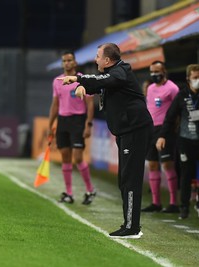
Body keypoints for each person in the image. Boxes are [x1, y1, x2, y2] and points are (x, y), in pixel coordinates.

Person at [58, 43, 153, 239]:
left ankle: (132, 227)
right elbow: (102, 84)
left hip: (134, 130)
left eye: (98, 56)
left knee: (130, 179)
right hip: (126, 131)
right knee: (124, 179)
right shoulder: (114, 75)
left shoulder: (120, 71)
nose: (95, 59)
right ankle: (130, 223)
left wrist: (78, 78)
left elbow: (104, 80)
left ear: (108, 60)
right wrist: (83, 87)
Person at [156, 64, 199, 220]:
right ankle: (184, 206)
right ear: (188, 79)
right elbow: (170, 117)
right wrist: (162, 135)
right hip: (185, 140)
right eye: (195, 77)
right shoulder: (182, 96)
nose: (198, 80)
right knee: (186, 174)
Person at [48, 51, 96, 205]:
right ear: (62, 63)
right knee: (65, 156)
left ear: (75, 62)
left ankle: (90, 189)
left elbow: (89, 104)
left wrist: (88, 124)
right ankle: (69, 193)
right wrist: (51, 125)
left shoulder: (82, 80)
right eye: (64, 60)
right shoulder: (57, 81)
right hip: (63, 120)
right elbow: (55, 105)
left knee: (78, 157)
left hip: (78, 120)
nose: (67, 63)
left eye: (70, 60)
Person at [141, 61, 179, 213]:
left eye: (157, 71)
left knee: (167, 164)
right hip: (151, 130)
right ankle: (156, 202)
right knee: (152, 164)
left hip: (166, 130)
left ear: (164, 71)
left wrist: (172, 129)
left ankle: (173, 203)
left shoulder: (172, 88)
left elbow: (177, 110)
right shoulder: (150, 89)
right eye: (152, 72)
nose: (154, 74)